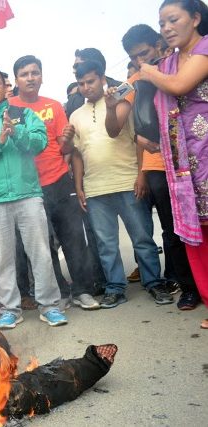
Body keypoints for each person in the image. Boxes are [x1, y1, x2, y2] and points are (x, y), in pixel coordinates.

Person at [0, 66, 68, 329]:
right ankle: (10, 308)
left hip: (29, 195)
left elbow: (40, 143)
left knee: (40, 252)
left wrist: (16, 132)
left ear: (5, 85)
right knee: (4, 258)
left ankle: (50, 305)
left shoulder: (24, 114)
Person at [70, 60, 170, 308]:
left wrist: (141, 174)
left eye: (90, 81)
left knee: (142, 238)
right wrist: (80, 186)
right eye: (81, 83)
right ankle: (115, 288)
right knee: (106, 244)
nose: (86, 87)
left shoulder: (122, 102)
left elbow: (138, 140)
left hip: (128, 182)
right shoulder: (75, 115)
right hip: (95, 189)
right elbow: (77, 154)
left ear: (102, 78)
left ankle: (154, 283)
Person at [118, 23, 201, 310]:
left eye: (144, 54)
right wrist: (142, 136)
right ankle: (189, 287)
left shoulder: (183, 67)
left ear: (160, 46)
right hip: (159, 166)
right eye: (134, 59)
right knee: (173, 230)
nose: (141, 63)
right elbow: (134, 123)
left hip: (195, 160)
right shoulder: (140, 80)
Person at [9, 55, 100, 310]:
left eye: (35, 73)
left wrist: (69, 139)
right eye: (25, 74)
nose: (30, 78)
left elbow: (64, 149)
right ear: (16, 79)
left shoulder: (54, 106)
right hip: (28, 188)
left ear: (41, 76)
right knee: (42, 246)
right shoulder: (8, 108)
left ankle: (83, 290)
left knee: (73, 239)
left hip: (59, 180)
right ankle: (58, 292)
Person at [140, 0, 208, 328]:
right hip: (184, 163)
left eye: (173, 19)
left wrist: (148, 70)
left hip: (207, 153)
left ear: (195, 18)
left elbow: (180, 86)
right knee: (198, 234)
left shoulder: (205, 49)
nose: (166, 27)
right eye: (162, 22)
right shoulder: (168, 61)